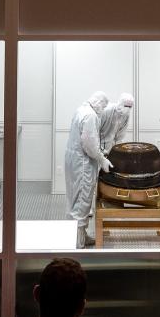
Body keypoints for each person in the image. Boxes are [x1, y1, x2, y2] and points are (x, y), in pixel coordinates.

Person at [65, 91, 114, 248]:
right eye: (104, 106)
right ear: (99, 103)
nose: (104, 109)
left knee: (75, 198)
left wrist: (99, 152)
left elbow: (85, 138)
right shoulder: (91, 115)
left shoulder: (81, 110)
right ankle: (78, 244)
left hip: (74, 160)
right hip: (83, 164)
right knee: (82, 201)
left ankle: (80, 236)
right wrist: (102, 158)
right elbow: (89, 144)